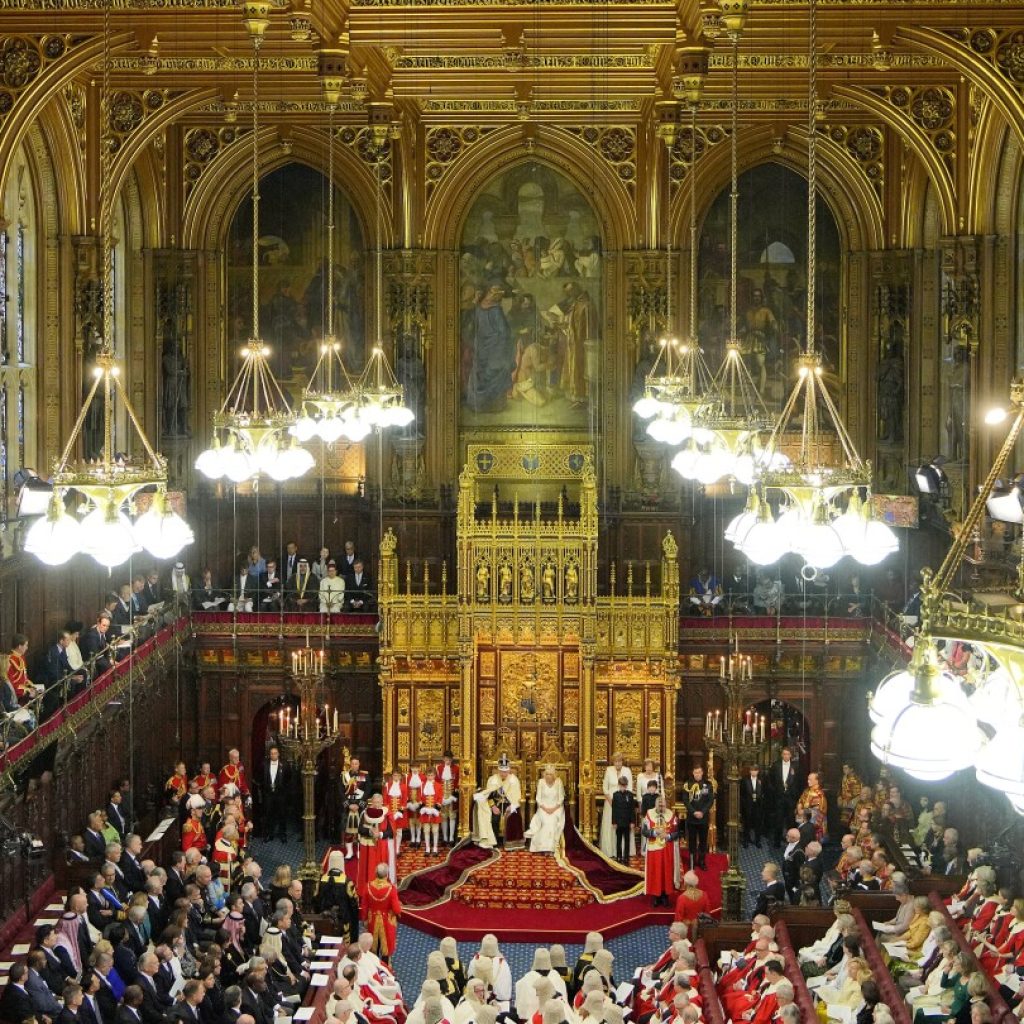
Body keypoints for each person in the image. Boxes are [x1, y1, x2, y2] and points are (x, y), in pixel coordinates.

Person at [472, 755, 522, 850]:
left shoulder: (514, 780)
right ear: (498, 770)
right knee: (494, 818)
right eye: (502, 771)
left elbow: (517, 796)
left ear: (509, 770)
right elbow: (488, 796)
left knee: (512, 816)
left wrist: (511, 807)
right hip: (496, 804)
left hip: (510, 805)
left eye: (506, 771)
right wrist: (493, 807)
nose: (504, 774)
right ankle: (494, 841)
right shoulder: (493, 779)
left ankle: (511, 843)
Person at [642, 795, 679, 906]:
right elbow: (644, 831)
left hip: (667, 850)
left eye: (663, 804)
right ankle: (656, 896)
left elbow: (677, 833)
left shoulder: (672, 815)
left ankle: (665, 896)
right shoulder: (648, 815)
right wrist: (653, 832)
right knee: (655, 872)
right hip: (654, 850)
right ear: (655, 804)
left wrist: (667, 836)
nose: (661, 806)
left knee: (666, 872)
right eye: (659, 804)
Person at [356, 793, 395, 898]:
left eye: (378, 802)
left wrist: (381, 834)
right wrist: (369, 832)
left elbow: (391, 832)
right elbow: (360, 830)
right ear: (371, 802)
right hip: (367, 847)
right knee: (367, 868)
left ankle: (382, 889)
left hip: (381, 846)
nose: (377, 804)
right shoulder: (365, 813)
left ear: (382, 802)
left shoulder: (386, 814)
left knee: (380, 867)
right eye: (375, 802)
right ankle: (365, 890)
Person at [361, 864, 401, 964]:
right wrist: (398, 913)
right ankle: (385, 967)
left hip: (372, 921)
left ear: (376, 873)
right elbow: (396, 909)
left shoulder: (368, 886)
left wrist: (364, 919)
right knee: (386, 947)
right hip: (387, 922)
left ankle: (373, 966)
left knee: (373, 946)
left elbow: (364, 906)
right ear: (387, 875)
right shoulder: (391, 889)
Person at [525, 765, 565, 854]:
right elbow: (538, 798)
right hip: (543, 808)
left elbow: (561, 799)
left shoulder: (559, 782)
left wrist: (553, 809)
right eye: (546, 774)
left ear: (554, 775)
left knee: (552, 821)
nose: (548, 776)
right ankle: (541, 847)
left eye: (550, 774)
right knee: (545, 821)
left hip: (556, 808)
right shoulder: (541, 782)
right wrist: (545, 809)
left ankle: (552, 848)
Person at [681, 764, 713, 870]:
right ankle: (692, 862)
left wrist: (702, 812)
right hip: (692, 818)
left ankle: (702, 861)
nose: (697, 774)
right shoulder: (687, 785)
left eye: (699, 772)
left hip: (703, 818)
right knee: (692, 841)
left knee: (703, 841)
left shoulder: (707, 785)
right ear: (693, 773)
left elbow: (710, 800)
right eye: (695, 772)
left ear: (702, 773)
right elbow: (685, 800)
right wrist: (694, 812)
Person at [600, 752, 632, 859]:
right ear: (613, 761)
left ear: (622, 761)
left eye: (620, 761)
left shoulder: (627, 771)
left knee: (622, 825)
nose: (618, 763)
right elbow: (605, 788)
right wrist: (611, 801)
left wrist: (622, 802)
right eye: (616, 761)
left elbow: (630, 788)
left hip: (623, 804)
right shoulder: (609, 770)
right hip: (610, 803)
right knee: (612, 825)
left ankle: (623, 851)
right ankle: (610, 850)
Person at [769, 747, 801, 844]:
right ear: (781, 755)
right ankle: (777, 841)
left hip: (791, 798)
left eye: (787, 754)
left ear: (790, 755)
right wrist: (776, 791)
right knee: (778, 820)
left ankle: (791, 840)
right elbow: (770, 780)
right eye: (784, 754)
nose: (786, 756)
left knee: (791, 820)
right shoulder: (776, 765)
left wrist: (795, 794)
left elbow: (799, 782)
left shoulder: (796, 766)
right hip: (779, 797)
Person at [260, 745, 288, 841]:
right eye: (271, 753)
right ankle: (269, 834)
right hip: (268, 794)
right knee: (268, 814)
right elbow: (260, 777)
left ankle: (283, 834)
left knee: (282, 814)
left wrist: (283, 789)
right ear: (269, 754)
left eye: (275, 753)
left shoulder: (284, 764)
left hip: (281, 794)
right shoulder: (264, 764)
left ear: (278, 754)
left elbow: (288, 778)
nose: (273, 755)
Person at [610, 775, 636, 866]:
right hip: (618, 821)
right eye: (621, 785)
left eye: (624, 786)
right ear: (618, 785)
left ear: (626, 786)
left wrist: (632, 821)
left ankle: (626, 857)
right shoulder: (615, 795)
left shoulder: (630, 795)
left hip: (627, 821)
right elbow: (614, 809)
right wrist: (614, 822)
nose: (623, 787)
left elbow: (632, 809)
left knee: (627, 840)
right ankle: (619, 856)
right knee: (618, 840)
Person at [796, 771, 828, 843]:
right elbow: (800, 800)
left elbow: (817, 810)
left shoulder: (819, 794)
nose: (808, 781)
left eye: (810, 779)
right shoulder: (807, 791)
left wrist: (803, 811)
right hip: (803, 818)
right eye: (808, 779)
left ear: (817, 781)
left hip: (813, 822)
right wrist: (799, 807)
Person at [740, 764, 767, 847]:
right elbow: (742, 794)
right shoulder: (745, 780)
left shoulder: (762, 780)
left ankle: (757, 841)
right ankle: (746, 840)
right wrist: (744, 805)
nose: (753, 772)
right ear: (750, 771)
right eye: (752, 770)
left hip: (758, 806)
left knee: (757, 824)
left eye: (755, 770)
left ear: (758, 771)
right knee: (746, 824)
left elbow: (765, 791)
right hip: (748, 806)